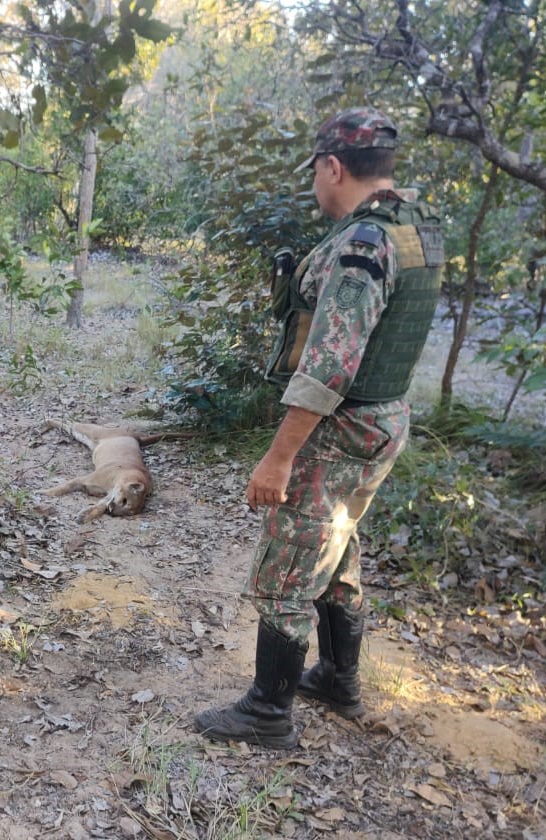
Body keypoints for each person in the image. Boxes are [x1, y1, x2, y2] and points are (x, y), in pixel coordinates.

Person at [194, 107, 445, 749]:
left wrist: (277, 459)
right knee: (336, 545)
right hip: (384, 420)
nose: (315, 183)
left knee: (286, 567)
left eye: (316, 171)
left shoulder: (364, 245)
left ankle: (267, 713)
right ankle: (337, 678)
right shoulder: (416, 229)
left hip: (343, 426)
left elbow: (329, 368)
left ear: (333, 167)